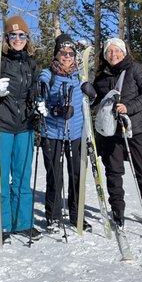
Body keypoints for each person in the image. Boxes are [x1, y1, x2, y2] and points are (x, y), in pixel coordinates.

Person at [0, 15, 43, 241]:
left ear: (27, 38)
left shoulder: (31, 63)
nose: (18, 39)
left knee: (22, 178)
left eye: (22, 35)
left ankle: (23, 222)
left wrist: (39, 106)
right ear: (6, 38)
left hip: (24, 127)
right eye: (13, 35)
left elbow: (36, 91)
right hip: (1, 126)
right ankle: (1, 223)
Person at [92, 37, 142, 229]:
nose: (113, 55)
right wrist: (89, 95)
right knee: (114, 172)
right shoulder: (102, 76)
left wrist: (128, 107)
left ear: (124, 53)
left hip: (136, 129)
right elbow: (95, 100)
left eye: (117, 51)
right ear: (105, 55)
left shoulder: (135, 69)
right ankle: (117, 209)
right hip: (110, 132)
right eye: (109, 52)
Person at [38, 34, 97, 233]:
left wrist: (92, 93)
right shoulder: (48, 74)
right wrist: (55, 110)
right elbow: (41, 101)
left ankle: (76, 214)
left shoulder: (79, 76)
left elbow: (88, 102)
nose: (67, 57)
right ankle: (53, 217)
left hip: (75, 134)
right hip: (53, 132)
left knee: (77, 175)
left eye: (70, 53)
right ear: (56, 54)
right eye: (63, 53)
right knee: (55, 176)